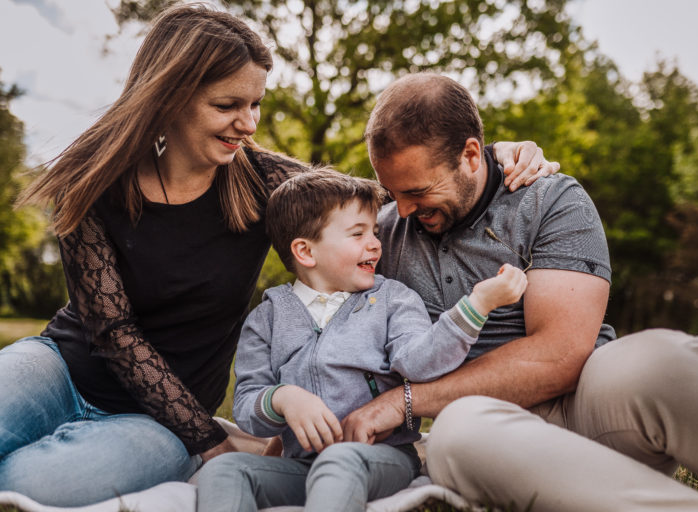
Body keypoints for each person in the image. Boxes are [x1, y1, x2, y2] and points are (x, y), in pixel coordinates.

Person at [1, 5, 553, 506]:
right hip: (59, 367)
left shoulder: (267, 184)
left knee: (31, 485)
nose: (249, 123)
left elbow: (393, 192)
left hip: (162, 421)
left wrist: (486, 160)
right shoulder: (95, 177)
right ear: (169, 96)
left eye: (256, 103)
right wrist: (213, 435)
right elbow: (113, 330)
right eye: (227, 105)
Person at [341, 72, 698, 512]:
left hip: (592, 413)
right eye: (392, 192)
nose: (404, 209)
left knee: (662, 357)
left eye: (417, 191)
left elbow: (558, 356)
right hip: (498, 443)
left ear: (470, 155)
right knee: (456, 431)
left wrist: (406, 402)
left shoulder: (550, 200)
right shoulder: (381, 237)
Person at [195, 169, 527, 511]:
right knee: (223, 468)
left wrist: (478, 304)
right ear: (305, 252)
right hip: (302, 466)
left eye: (375, 232)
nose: (375, 243)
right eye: (358, 233)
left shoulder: (392, 300)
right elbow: (248, 408)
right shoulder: (266, 319)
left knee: (338, 462)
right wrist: (283, 398)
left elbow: (420, 362)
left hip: (380, 457)